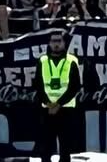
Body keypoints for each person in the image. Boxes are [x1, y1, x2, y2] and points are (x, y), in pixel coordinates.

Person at [36, 27, 82, 162]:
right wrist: (48, 103)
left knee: (65, 147)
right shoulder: (43, 60)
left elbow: (75, 86)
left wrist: (58, 104)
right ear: (49, 43)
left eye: (59, 41)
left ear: (64, 43)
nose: (56, 44)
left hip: (66, 109)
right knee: (45, 147)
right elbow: (38, 84)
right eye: (53, 41)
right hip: (47, 109)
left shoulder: (72, 60)